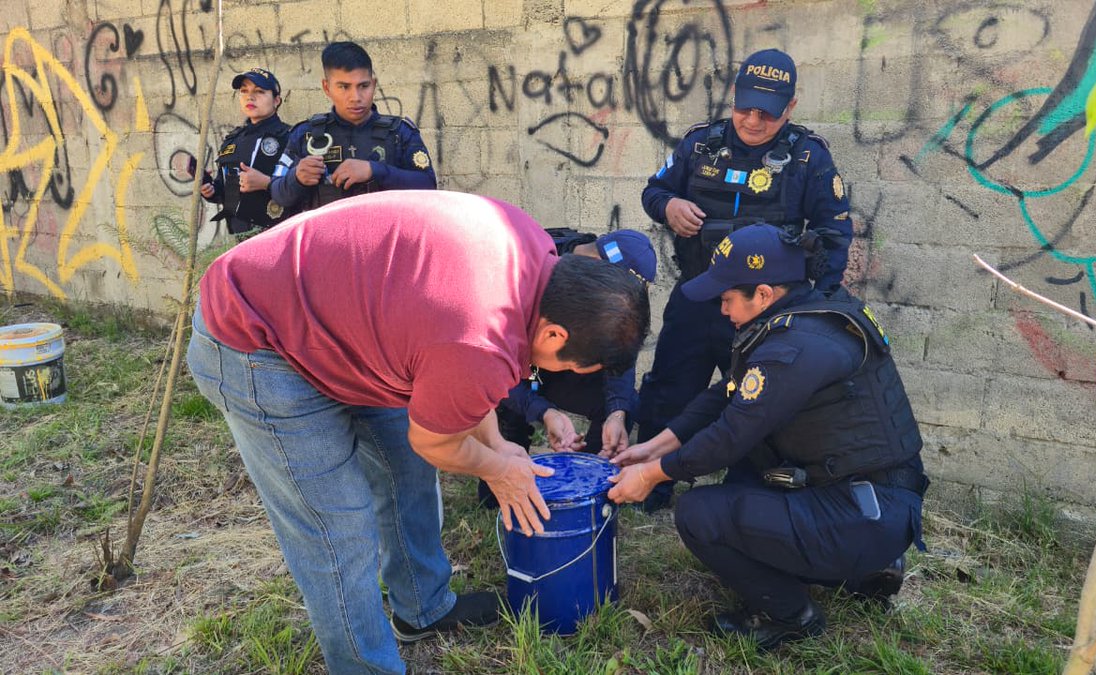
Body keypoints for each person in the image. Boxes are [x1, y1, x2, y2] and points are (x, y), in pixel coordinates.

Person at [186, 190, 650, 674]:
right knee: (338, 530)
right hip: (257, 336)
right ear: (555, 335)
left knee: (406, 474)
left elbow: (467, 386)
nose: (564, 373)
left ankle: (423, 609)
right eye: (572, 366)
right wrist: (497, 470)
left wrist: (495, 443)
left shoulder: (535, 254)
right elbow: (434, 437)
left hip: (345, 325)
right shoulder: (476, 333)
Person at [605, 224, 925, 649]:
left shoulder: (796, 347)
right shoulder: (802, 315)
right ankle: (864, 564)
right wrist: (654, 446)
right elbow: (726, 395)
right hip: (867, 499)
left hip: (863, 511)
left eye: (727, 299)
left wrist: (651, 476)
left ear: (763, 293)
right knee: (743, 478)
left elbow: (731, 434)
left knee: (700, 514)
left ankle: (791, 614)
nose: (721, 310)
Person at [636, 48, 854, 512]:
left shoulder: (807, 159)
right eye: (745, 107)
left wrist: (810, 310)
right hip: (699, 294)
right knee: (670, 390)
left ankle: (743, 496)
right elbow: (654, 191)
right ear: (733, 97)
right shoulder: (700, 144)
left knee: (760, 404)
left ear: (790, 107)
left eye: (767, 113)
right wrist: (668, 207)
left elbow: (835, 236)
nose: (753, 120)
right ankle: (651, 488)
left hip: (766, 312)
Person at [478, 228, 657, 507]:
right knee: (511, 407)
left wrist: (617, 412)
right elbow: (494, 372)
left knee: (621, 403)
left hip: (568, 368)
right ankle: (496, 497)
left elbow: (619, 361)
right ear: (599, 271)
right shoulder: (532, 274)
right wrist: (542, 410)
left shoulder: (608, 307)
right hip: (529, 371)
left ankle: (591, 484)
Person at [270, 41, 436, 212]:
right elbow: (278, 194)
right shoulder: (306, 135)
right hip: (328, 238)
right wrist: (297, 178)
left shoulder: (399, 133)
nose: (355, 97)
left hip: (386, 237)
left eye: (363, 86)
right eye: (344, 87)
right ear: (327, 88)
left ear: (373, 84)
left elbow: (429, 186)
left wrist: (376, 170)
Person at [199, 68, 294, 235]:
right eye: (244, 91)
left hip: (278, 234)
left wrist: (266, 182)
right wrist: (211, 190)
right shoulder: (233, 140)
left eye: (259, 91)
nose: (250, 97)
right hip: (238, 236)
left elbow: (300, 189)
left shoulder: (290, 137)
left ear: (276, 100)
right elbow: (227, 193)